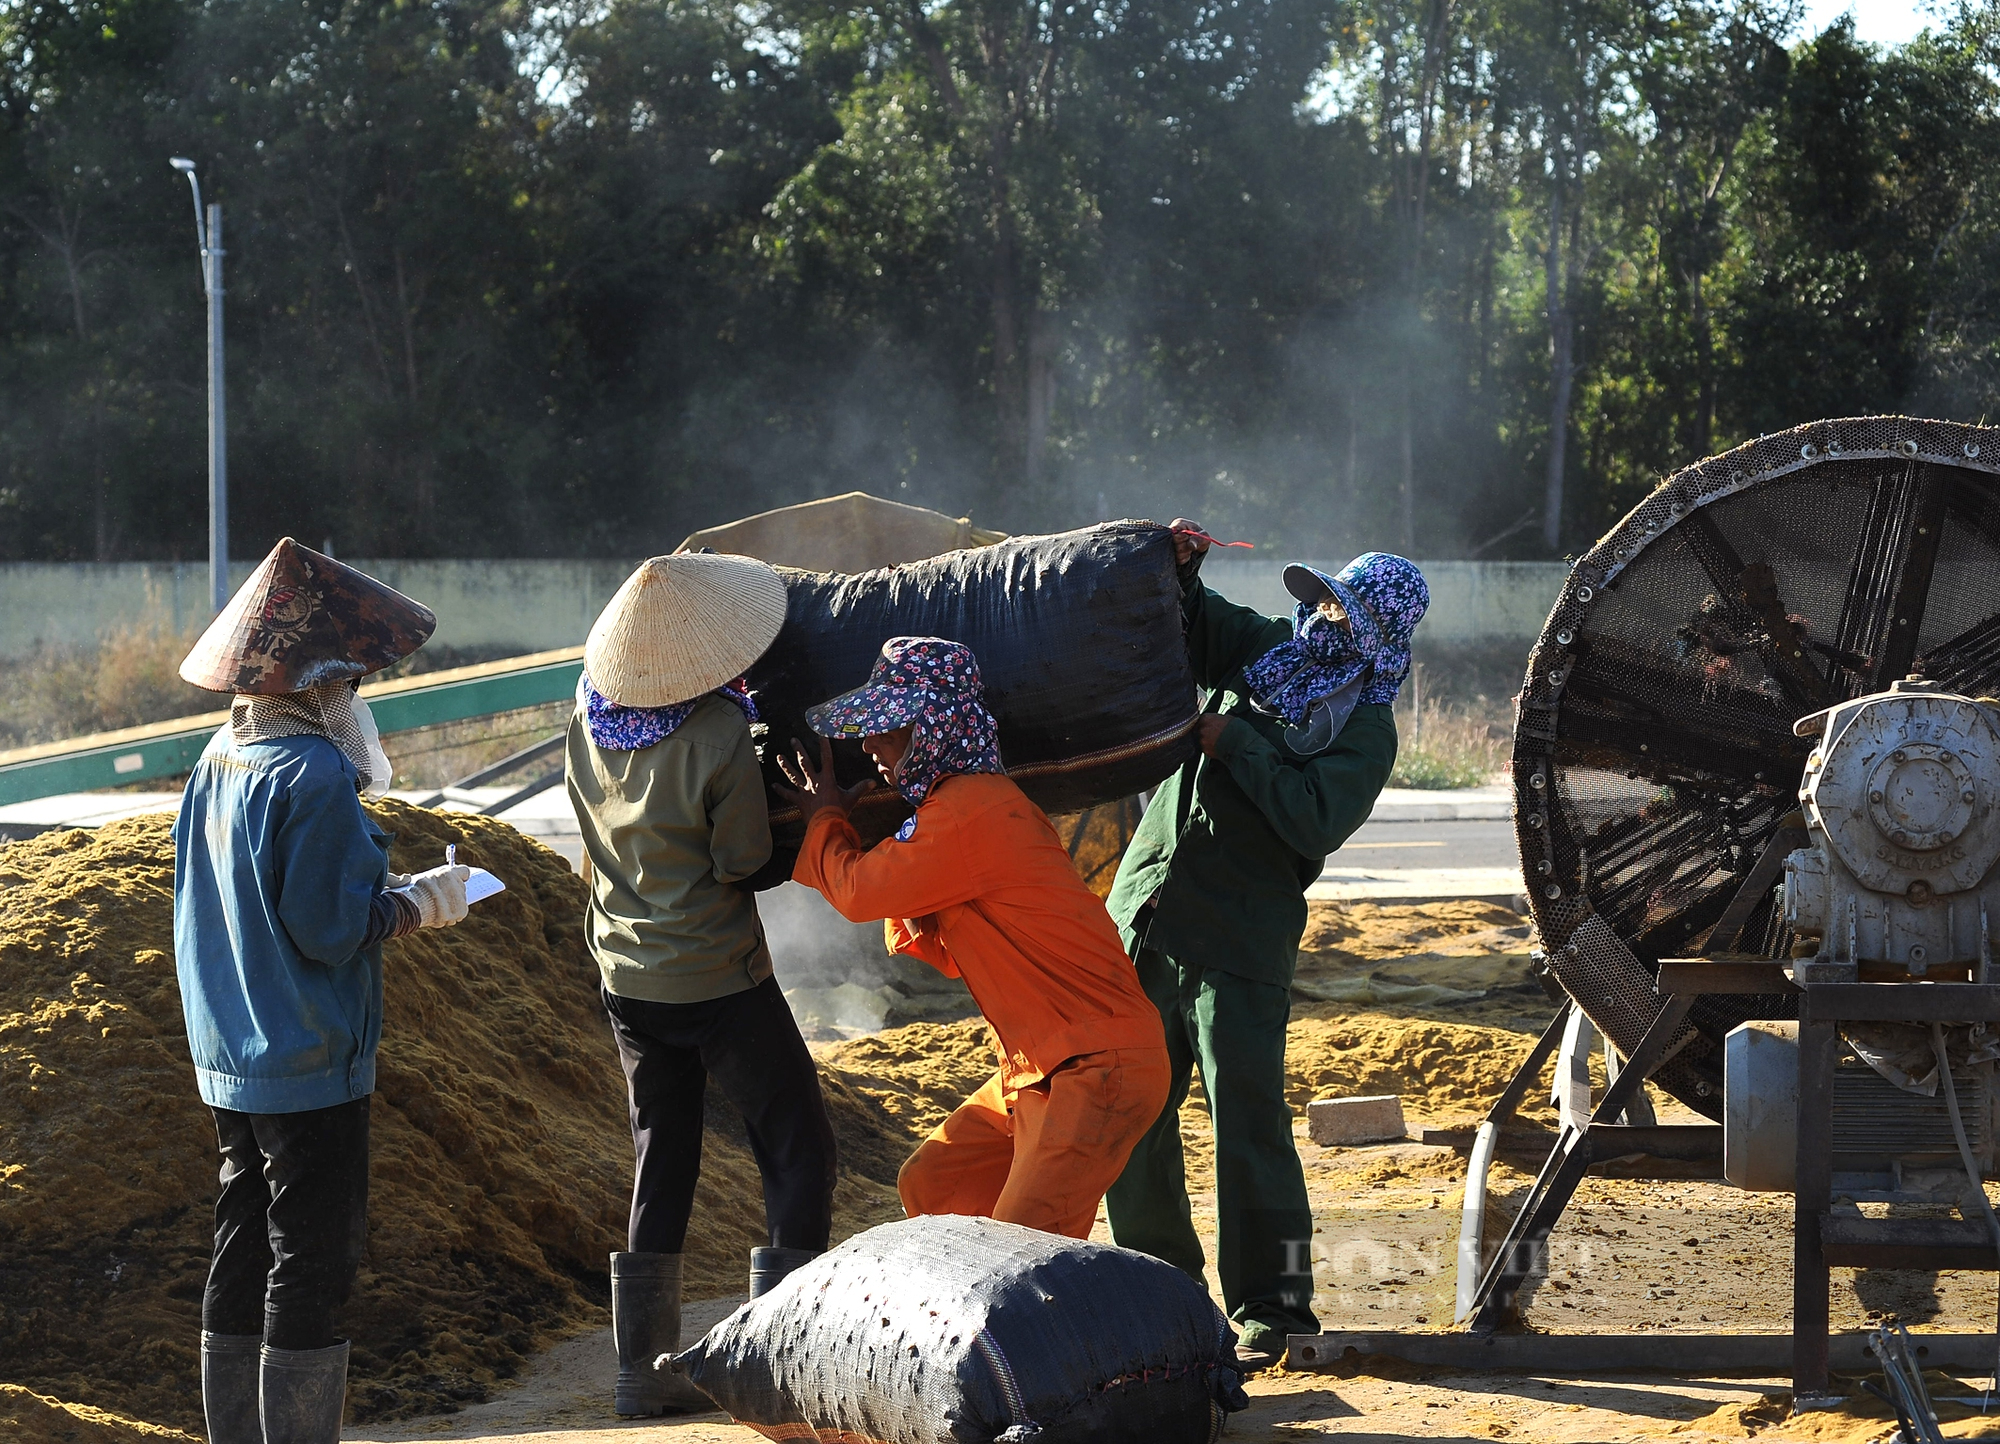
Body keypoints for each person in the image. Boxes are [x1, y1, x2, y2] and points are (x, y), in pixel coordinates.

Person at [1102, 523, 1428, 1368]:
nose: (1324, 616)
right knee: (1128, 1113)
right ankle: (1158, 1288)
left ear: (1378, 633)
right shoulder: (1269, 653)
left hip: (1239, 940)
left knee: (1246, 1124)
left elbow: (1314, 816)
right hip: (1148, 913)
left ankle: (1274, 1312)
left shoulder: (1367, 731)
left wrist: (1239, 742)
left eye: (1343, 608)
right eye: (1322, 598)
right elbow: (1196, 624)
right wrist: (1179, 570)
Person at [174, 538, 473, 1444]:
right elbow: (329, 928)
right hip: (308, 1054)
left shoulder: (217, 759)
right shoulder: (313, 775)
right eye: (352, 686)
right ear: (322, 685)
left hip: (230, 1052)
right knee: (311, 1256)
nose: (358, 702)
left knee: (243, 1234)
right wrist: (417, 906)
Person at [778, 636, 1170, 1240]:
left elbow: (856, 893)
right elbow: (953, 957)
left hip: (1096, 1066)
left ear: (934, 728)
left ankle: (1035, 1330)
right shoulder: (961, 811)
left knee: (1025, 1253)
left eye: (889, 726)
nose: (869, 744)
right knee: (934, 1183)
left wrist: (825, 819)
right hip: (1045, 1067)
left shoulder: (970, 811)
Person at [564, 552, 837, 1417]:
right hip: (717, 977)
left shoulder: (585, 718)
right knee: (797, 1145)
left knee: (664, 1157)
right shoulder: (719, 732)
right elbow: (743, 861)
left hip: (627, 978)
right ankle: (780, 1366)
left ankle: (639, 1377)